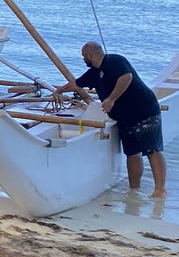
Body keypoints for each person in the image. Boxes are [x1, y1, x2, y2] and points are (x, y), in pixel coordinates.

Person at [66, 41, 167, 196]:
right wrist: (58, 91)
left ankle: (160, 189)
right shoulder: (94, 72)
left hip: (143, 110)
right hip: (124, 117)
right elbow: (75, 84)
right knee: (132, 153)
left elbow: (126, 77)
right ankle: (134, 189)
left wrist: (111, 99)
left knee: (152, 150)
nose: (83, 59)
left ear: (90, 55)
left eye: (83, 56)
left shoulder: (114, 60)